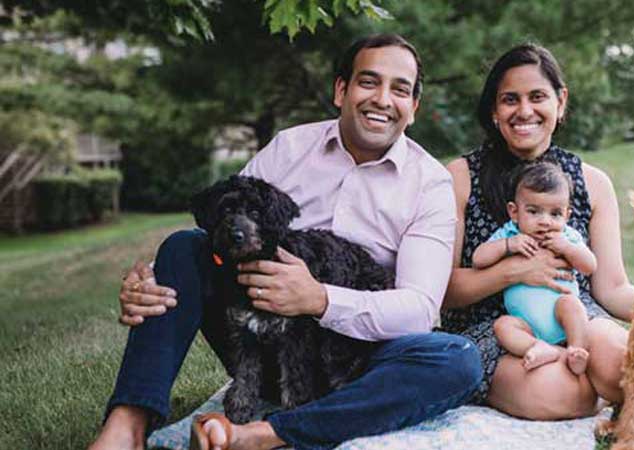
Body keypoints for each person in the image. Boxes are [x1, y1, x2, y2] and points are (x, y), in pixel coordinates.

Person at [88, 33, 482, 450]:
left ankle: (266, 434)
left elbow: (420, 309)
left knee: (456, 359)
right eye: (369, 82)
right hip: (266, 344)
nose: (383, 99)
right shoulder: (290, 148)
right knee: (183, 246)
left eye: (400, 89)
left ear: (413, 108)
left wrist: (320, 300)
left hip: (356, 364)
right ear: (340, 90)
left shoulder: (429, 183)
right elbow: (219, 233)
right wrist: (153, 279)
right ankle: (127, 425)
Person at [441, 43, 634, 420]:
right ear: (494, 111)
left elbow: (611, 287)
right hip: (495, 329)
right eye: (509, 99)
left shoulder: (592, 183)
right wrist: (516, 270)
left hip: (575, 315)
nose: (524, 111)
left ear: (560, 102)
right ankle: (589, 386)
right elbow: (443, 291)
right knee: (562, 395)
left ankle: (598, 376)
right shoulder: (460, 178)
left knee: (622, 368)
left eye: (537, 97)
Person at [472, 161, 595, 376]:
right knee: (503, 326)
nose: (545, 221)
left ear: (567, 215)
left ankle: (577, 349)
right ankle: (536, 348)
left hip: (560, 314)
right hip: (525, 324)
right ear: (514, 212)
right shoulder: (510, 234)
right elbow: (478, 259)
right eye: (534, 211)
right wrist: (508, 246)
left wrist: (567, 248)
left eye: (555, 213)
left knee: (572, 305)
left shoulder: (567, 236)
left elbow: (589, 266)